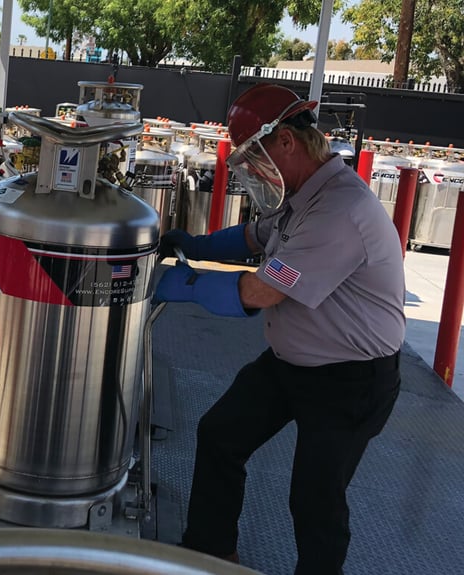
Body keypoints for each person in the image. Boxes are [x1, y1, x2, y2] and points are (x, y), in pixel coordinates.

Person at [154, 83, 404, 575]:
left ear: (286, 142)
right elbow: (254, 236)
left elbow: (266, 290)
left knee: (315, 496)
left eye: (254, 158)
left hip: (350, 382)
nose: (251, 172)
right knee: (221, 434)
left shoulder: (341, 212)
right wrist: (197, 245)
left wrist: (186, 285)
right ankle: (211, 553)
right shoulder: (302, 196)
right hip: (293, 364)